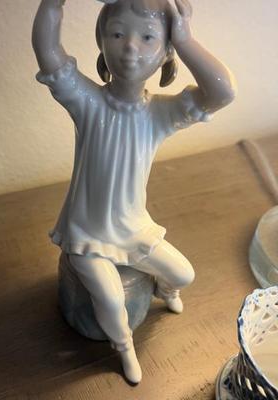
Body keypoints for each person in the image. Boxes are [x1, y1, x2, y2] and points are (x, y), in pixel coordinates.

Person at [32, 0, 236, 384]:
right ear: (102, 42)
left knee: (184, 274)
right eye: (117, 33)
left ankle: (165, 289)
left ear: (165, 53)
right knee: (111, 299)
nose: (130, 47)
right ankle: (124, 348)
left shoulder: (160, 114)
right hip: (87, 234)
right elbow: (48, 52)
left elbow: (222, 92)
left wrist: (185, 40)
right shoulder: (87, 102)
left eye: (147, 38)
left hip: (134, 229)